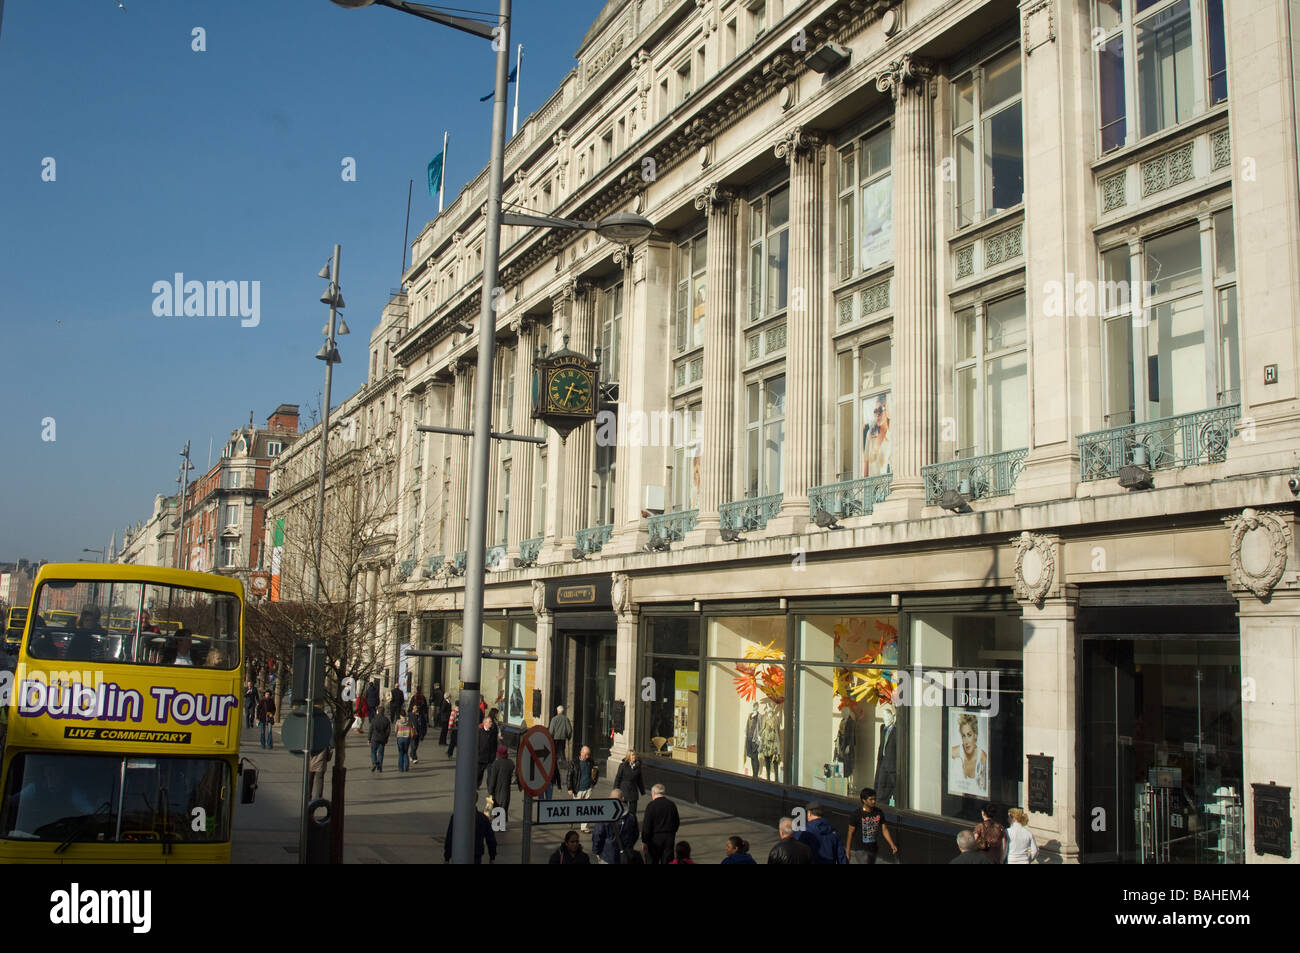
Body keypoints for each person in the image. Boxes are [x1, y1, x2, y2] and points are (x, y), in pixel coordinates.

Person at [848, 787, 899, 864]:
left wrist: (892, 844)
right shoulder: (857, 814)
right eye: (871, 799)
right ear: (864, 800)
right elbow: (850, 833)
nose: (874, 801)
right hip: (861, 849)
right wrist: (847, 851)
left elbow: (884, 829)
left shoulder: (878, 812)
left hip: (873, 848)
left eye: (874, 799)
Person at [592, 787, 639, 864]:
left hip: (607, 854)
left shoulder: (604, 816)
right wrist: (628, 847)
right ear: (622, 799)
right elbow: (635, 834)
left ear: (609, 798)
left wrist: (596, 851)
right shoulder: (631, 817)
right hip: (625, 856)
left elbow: (597, 834)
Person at [949, 711, 989, 797]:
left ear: (976, 735)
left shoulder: (982, 757)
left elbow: (984, 791)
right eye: (963, 736)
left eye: (969, 735)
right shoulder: (955, 751)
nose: (966, 741)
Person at [641, 783, 680, 864]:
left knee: (652, 860)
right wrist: (672, 833)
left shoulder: (651, 806)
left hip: (654, 839)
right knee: (667, 861)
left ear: (653, 793)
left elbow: (647, 826)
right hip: (669, 838)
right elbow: (676, 822)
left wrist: (645, 841)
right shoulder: (671, 805)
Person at [567, 745, 598, 832]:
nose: (587, 756)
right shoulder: (574, 762)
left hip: (587, 788)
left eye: (588, 754)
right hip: (578, 789)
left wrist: (593, 783)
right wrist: (570, 788)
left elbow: (596, 772)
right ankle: (571, 819)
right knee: (576, 807)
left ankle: (584, 827)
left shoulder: (590, 762)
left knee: (586, 808)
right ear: (581, 753)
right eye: (586, 755)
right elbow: (569, 775)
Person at [613, 749, 647, 820]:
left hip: (633, 791)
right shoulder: (622, 766)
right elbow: (618, 778)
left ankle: (632, 824)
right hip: (624, 790)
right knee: (623, 810)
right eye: (632, 755)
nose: (634, 757)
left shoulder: (638, 766)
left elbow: (639, 780)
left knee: (632, 812)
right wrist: (615, 790)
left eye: (634, 755)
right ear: (629, 756)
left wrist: (642, 791)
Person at [484, 744, 515, 821]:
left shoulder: (496, 764)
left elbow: (492, 779)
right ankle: (502, 824)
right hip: (506, 790)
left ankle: (498, 825)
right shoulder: (510, 763)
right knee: (504, 806)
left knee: (497, 807)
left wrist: (490, 791)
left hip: (497, 790)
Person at [476, 715, 499, 786]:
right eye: (489, 722)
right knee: (479, 774)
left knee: (491, 775)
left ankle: (490, 788)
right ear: (484, 723)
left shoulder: (493, 733)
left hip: (490, 758)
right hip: (481, 757)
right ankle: (477, 785)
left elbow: (495, 744)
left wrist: (494, 754)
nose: (491, 723)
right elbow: (477, 744)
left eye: (491, 722)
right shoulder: (479, 732)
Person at [369, 705, 391, 772]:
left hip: (374, 738)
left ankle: (374, 762)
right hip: (382, 739)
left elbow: (371, 730)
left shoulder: (374, 719)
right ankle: (379, 767)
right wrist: (386, 738)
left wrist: (369, 739)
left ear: (377, 711)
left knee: (373, 751)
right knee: (381, 753)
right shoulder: (386, 720)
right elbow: (388, 731)